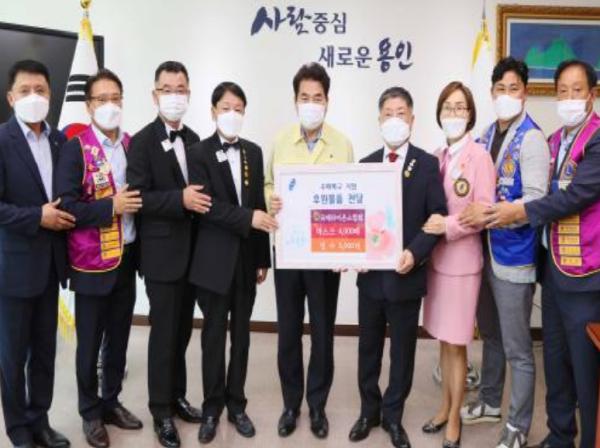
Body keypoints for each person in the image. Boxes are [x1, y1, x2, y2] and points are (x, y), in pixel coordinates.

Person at [485, 59, 600, 448]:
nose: (569, 98)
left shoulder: (597, 139)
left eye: (577, 90)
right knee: (555, 361)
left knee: (585, 368)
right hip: (552, 269)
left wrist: (520, 211)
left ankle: (590, 441)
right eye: (562, 91)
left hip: (585, 273)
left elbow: (576, 196)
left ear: (592, 94)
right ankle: (560, 435)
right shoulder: (554, 141)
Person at [348, 86, 447, 448]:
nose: (394, 120)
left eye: (400, 113)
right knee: (368, 348)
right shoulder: (366, 164)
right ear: (379, 120)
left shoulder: (427, 164)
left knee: (402, 352)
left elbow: (437, 217)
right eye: (387, 114)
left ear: (412, 120)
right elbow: (355, 217)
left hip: (407, 275)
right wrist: (354, 252)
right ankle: (368, 412)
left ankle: (393, 416)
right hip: (371, 279)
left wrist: (415, 253)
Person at [458, 57, 550, 448]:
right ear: (492, 92)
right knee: (491, 335)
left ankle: (518, 426)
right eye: (500, 89)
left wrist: (492, 213)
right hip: (484, 252)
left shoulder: (532, 138)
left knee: (518, 349)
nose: (507, 95)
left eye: (514, 88)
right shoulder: (485, 134)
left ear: (524, 93)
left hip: (514, 256)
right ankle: (491, 401)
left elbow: (537, 200)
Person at [265, 62, 354, 439]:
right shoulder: (281, 141)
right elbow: (268, 184)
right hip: (288, 251)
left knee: (322, 331)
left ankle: (317, 405)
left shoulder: (342, 144)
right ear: (295, 100)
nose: (311, 104)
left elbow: (351, 196)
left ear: (327, 101)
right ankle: (291, 404)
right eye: (305, 97)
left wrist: (346, 249)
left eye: (318, 98)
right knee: (288, 331)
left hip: (325, 255)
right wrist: (271, 200)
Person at [56, 69, 143, 448]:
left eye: (115, 98)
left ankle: (111, 402)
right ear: (89, 106)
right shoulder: (75, 148)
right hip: (90, 262)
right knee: (89, 342)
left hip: (127, 256)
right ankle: (90, 412)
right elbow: (67, 207)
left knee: (119, 338)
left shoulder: (131, 145)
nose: (110, 105)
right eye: (102, 99)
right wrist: (111, 207)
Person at [188, 81, 274, 444]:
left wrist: (262, 257)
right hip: (213, 261)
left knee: (241, 336)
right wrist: (248, 218)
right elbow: (206, 207)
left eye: (238, 108)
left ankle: (237, 405)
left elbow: (259, 205)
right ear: (213, 111)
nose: (232, 114)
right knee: (212, 337)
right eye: (226, 108)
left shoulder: (253, 152)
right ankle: (211, 408)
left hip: (246, 261)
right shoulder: (198, 153)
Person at [127, 61, 207, 448]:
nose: (174, 96)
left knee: (182, 332)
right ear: (154, 94)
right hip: (161, 256)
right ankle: (160, 411)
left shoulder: (195, 138)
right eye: (167, 89)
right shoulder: (141, 141)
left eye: (180, 89)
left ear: (189, 94)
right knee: (162, 335)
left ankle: (177, 397)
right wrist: (180, 199)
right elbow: (138, 197)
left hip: (193, 255)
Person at [0, 59, 72, 448]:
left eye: (40, 90)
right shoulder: (2, 140)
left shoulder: (60, 141)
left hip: (51, 266)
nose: (34, 96)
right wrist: (37, 217)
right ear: (11, 98)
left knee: (45, 351)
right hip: (13, 268)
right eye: (25, 90)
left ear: (51, 95)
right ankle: (18, 429)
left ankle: (39, 420)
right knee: (12, 355)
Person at [421, 82, 496, 448]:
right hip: (435, 262)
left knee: (457, 343)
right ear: (439, 113)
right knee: (442, 338)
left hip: (463, 263)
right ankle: (444, 406)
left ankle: (454, 416)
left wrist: (447, 226)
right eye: (447, 107)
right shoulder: (436, 156)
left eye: (460, 107)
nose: (453, 114)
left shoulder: (479, 157)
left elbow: (484, 212)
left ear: (470, 114)